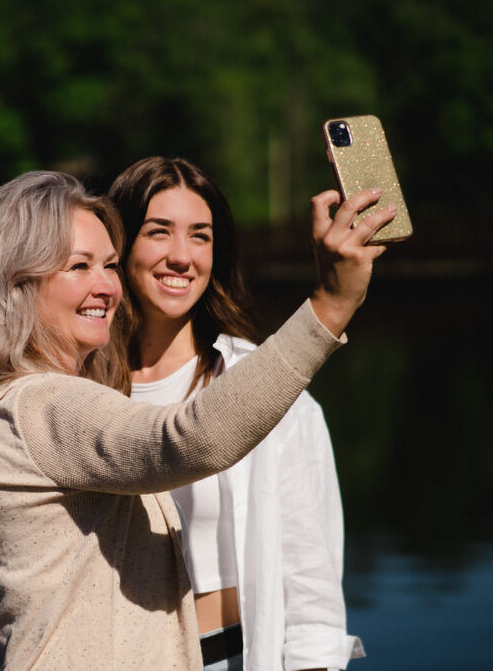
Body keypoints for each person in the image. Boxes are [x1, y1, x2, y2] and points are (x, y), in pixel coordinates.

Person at [0, 170, 393, 670]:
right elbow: (190, 439)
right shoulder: (42, 406)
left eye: (108, 265)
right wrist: (332, 304)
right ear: (16, 282)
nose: (105, 285)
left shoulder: (9, 407)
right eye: (80, 266)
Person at [109, 156, 364, 671]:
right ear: (120, 246)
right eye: (159, 232)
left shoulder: (264, 382)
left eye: (200, 236)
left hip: (231, 656)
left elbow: (310, 582)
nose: (182, 256)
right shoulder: (78, 393)